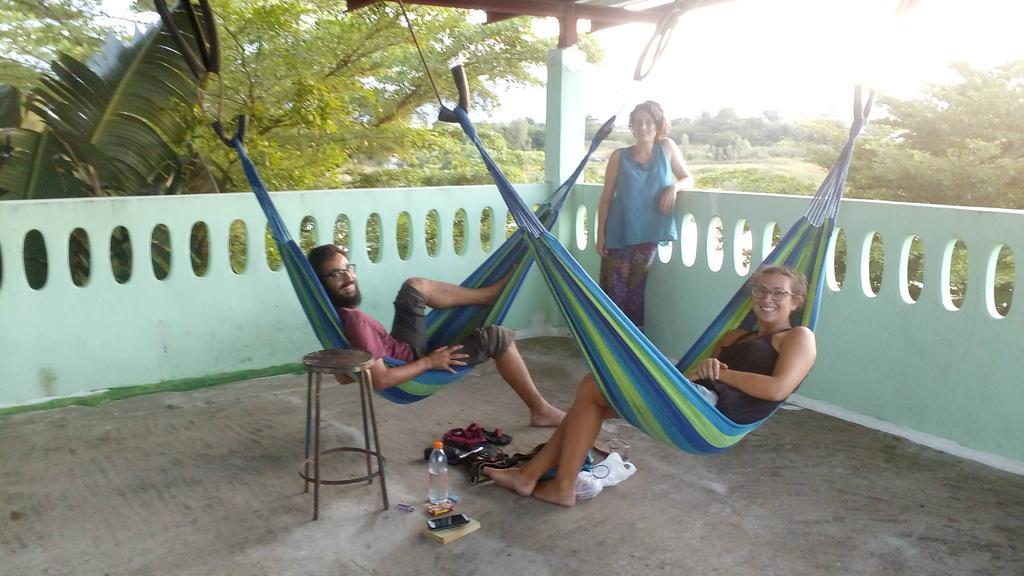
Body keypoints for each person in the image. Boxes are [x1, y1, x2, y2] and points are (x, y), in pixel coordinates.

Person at [485, 265, 817, 506]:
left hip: (715, 415)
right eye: (760, 290)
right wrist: (691, 378)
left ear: (796, 301)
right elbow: (697, 377)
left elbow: (778, 390)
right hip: (694, 400)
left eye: (778, 293)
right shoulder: (733, 336)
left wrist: (722, 374)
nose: (767, 298)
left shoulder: (798, 337)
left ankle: (549, 482)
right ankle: (539, 480)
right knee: (592, 398)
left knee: (592, 388)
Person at [308, 244, 565, 427]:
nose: (348, 276)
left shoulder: (336, 316)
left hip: (405, 350)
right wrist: (430, 363)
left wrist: (356, 368)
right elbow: (381, 380)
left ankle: (487, 296)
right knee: (496, 337)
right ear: (320, 283)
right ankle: (540, 410)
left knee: (414, 288)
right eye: (336, 274)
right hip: (411, 368)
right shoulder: (355, 320)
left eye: (348, 268)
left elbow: (345, 377)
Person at [597, 101, 694, 331]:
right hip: (619, 234)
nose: (643, 127)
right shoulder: (619, 156)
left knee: (636, 293)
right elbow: (606, 198)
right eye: (637, 122)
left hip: (649, 234)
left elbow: (687, 178)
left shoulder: (667, 148)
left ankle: (634, 350)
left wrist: (673, 188)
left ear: (657, 124)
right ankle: (609, 345)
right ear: (631, 126)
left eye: (648, 122)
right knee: (613, 294)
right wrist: (600, 235)